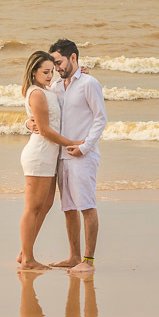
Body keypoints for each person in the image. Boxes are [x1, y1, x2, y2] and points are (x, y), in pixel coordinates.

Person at [46, 39, 108, 276]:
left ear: (73, 58)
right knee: (69, 207)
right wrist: (27, 121)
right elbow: (39, 107)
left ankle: (88, 260)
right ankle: (73, 256)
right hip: (61, 156)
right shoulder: (57, 87)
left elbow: (101, 118)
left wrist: (85, 147)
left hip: (83, 156)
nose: (56, 68)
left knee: (86, 206)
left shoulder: (89, 83)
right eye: (53, 64)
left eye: (59, 62)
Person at [18, 51, 85, 271]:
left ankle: (24, 252)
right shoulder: (37, 93)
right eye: (45, 72)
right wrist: (73, 142)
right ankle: (28, 259)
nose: (50, 75)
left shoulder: (46, 90)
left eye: (51, 71)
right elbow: (45, 131)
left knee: (45, 205)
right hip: (39, 156)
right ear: (34, 71)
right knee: (32, 208)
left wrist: (79, 74)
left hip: (49, 156)